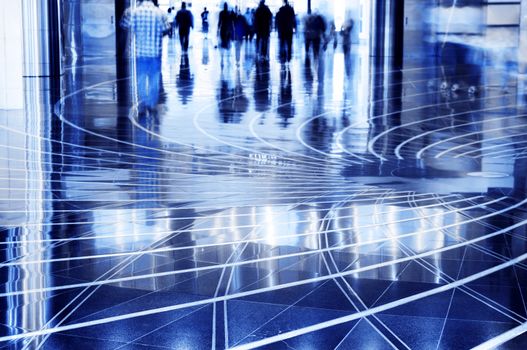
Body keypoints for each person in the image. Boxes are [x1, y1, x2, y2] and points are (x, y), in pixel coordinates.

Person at [120, 0, 170, 112]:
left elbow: (124, 28)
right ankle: (151, 104)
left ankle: (142, 105)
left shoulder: (132, 12)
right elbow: (167, 29)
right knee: (154, 79)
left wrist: (124, 49)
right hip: (155, 53)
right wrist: (157, 34)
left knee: (141, 79)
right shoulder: (160, 13)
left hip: (140, 53)